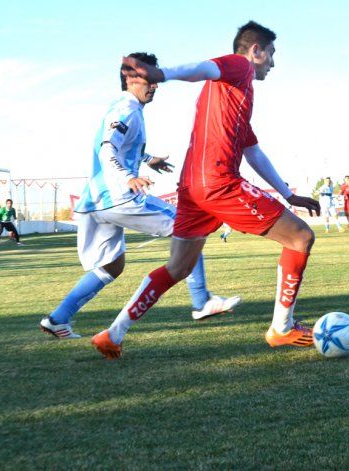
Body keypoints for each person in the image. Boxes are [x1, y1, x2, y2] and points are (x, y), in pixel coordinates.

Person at [90, 21, 321, 359]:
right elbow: (204, 67)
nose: (272, 63)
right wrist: (161, 73)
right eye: (271, 55)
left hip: (192, 188)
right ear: (255, 50)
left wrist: (287, 193)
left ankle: (113, 334)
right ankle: (282, 328)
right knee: (300, 238)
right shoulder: (239, 66)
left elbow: (253, 151)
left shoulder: (235, 98)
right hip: (218, 183)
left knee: (178, 268)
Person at [39, 52, 240, 340]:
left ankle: (57, 319)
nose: (156, 85)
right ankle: (201, 301)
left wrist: (147, 159)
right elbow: (107, 149)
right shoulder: (127, 109)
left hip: (95, 203)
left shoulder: (125, 109)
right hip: (117, 197)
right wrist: (129, 177)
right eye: (149, 79)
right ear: (130, 78)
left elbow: (119, 145)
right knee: (190, 226)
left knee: (111, 266)